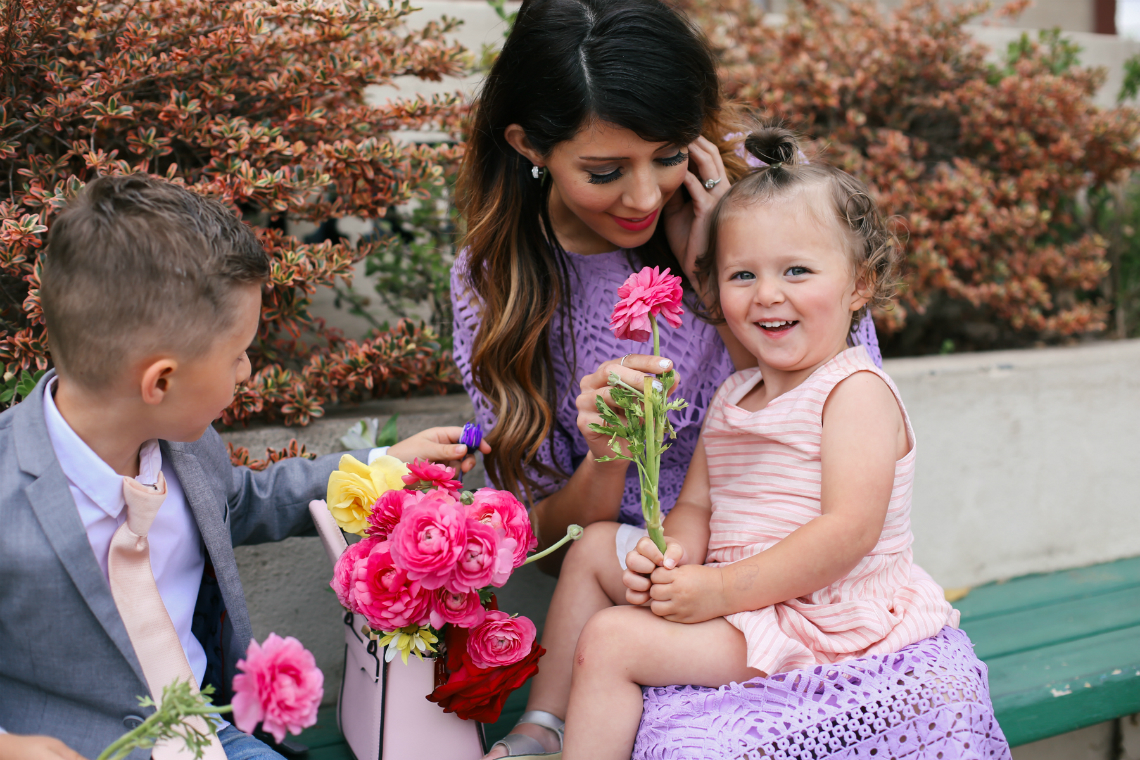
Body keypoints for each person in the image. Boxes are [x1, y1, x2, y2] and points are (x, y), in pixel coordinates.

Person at [451, 0, 884, 756]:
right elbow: (545, 534)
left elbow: (840, 403)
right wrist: (610, 452)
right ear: (531, 145)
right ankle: (542, 731)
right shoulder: (498, 282)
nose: (646, 197)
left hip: (788, 566)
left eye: (671, 153)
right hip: (652, 576)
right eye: (605, 171)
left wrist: (713, 268)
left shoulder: (763, 207)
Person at [0, 174, 489, 760]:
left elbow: (247, 503)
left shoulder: (189, 446)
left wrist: (384, 464)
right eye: (236, 355)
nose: (247, 373)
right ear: (161, 381)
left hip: (213, 737)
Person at [557, 127, 1005, 760]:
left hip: (822, 616)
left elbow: (846, 532)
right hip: (749, 600)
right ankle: (543, 727)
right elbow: (698, 507)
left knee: (611, 640)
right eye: (743, 274)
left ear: (859, 285)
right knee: (597, 549)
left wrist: (716, 592)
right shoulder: (735, 396)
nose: (767, 293)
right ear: (714, 290)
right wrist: (676, 554)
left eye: (796, 270)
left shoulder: (853, 393)